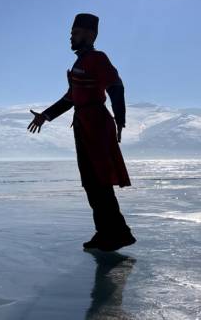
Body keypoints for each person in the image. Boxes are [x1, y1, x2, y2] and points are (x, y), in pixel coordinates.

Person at [28, 13, 136, 252]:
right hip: (83, 123)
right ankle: (106, 231)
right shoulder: (80, 62)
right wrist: (45, 116)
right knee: (91, 182)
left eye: (75, 33)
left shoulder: (97, 58)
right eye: (71, 33)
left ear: (90, 35)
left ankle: (117, 233)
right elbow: (70, 97)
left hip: (96, 122)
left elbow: (115, 85)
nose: (71, 38)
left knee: (99, 180)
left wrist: (120, 117)